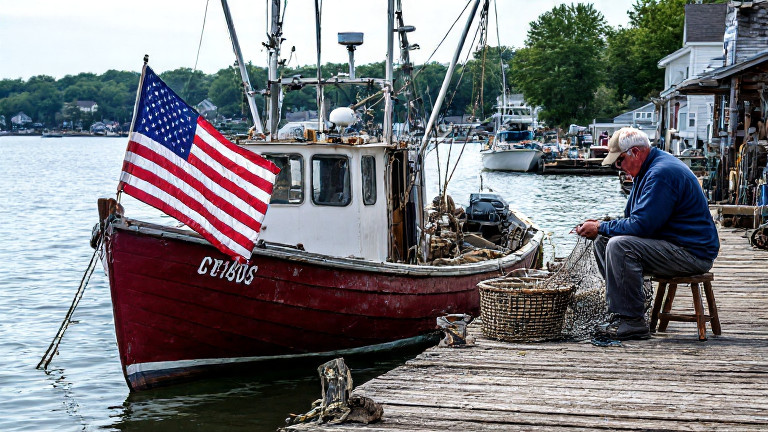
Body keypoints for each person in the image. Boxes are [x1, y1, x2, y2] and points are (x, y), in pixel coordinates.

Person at [575, 127, 719, 340]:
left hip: (692, 253)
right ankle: (622, 312)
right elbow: (635, 219)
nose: (619, 167)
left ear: (636, 152)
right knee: (603, 241)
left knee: (618, 245)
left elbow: (642, 226)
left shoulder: (660, 173)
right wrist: (601, 228)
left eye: (620, 161)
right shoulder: (648, 169)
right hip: (672, 244)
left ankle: (632, 321)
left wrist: (601, 226)